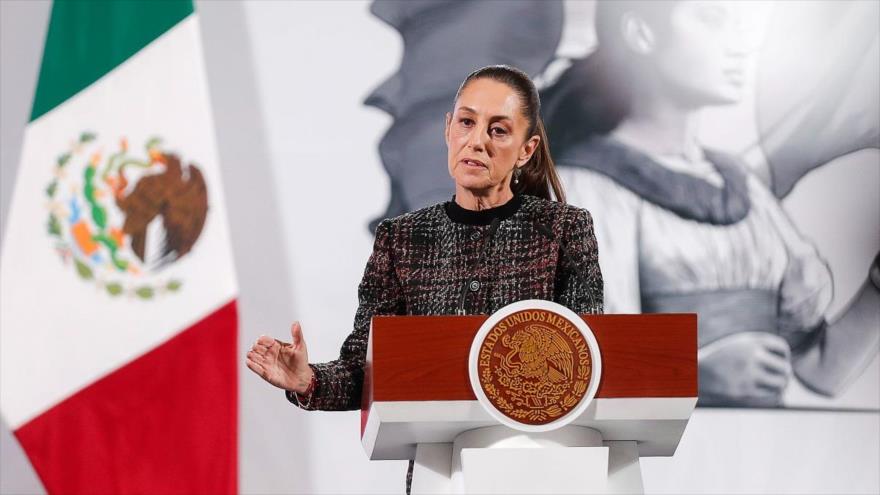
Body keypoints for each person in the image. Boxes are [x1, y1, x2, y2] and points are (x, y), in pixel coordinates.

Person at [246, 65, 603, 491]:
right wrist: (308, 380)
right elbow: (367, 368)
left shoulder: (564, 230)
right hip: (441, 472)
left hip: (543, 469)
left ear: (527, 150)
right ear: (448, 129)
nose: (477, 141)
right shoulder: (401, 238)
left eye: (499, 130)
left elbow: (585, 360)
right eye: (467, 122)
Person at [542, 0, 878, 407]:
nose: (741, 45)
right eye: (713, 20)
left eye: (742, 24)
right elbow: (573, 367)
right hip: (662, 461)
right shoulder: (587, 187)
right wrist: (693, 372)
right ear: (642, 33)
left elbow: (822, 369)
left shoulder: (745, 190)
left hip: (762, 457)